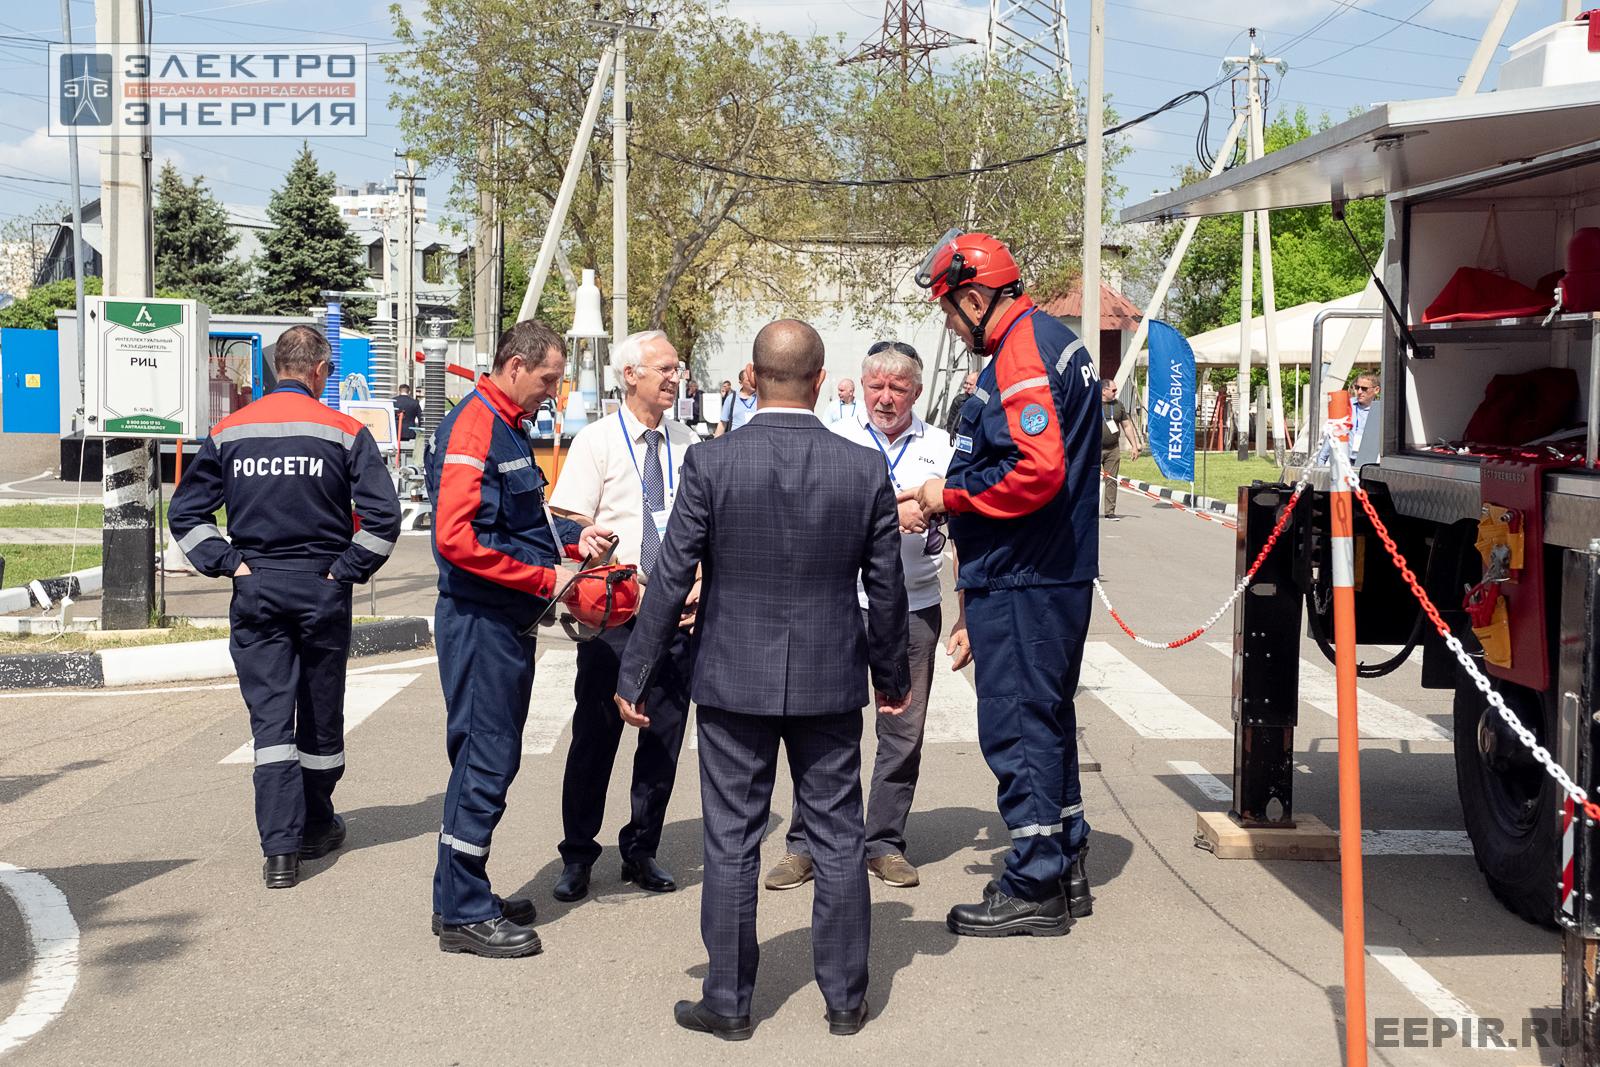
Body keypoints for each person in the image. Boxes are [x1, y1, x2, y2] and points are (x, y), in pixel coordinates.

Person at [614, 319, 910, 1040]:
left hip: (730, 678)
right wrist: (892, 678)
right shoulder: (863, 468)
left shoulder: (713, 464)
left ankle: (729, 1000)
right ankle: (845, 1000)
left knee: (732, 838)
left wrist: (637, 670)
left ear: (751, 377)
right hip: (829, 677)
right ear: (818, 380)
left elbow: (672, 574)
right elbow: (888, 587)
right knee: (839, 837)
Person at [902, 231, 1099, 937]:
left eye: (951, 311)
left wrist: (944, 496)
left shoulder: (1020, 351)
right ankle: (1066, 855)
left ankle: (1036, 881)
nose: (951, 326)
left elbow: (1036, 471)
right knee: (1046, 718)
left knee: (1017, 724)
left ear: (978, 296)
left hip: (1023, 576)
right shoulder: (1055, 340)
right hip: (1050, 571)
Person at [169, 325, 401, 890]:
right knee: (321, 712)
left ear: (276, 368)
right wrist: (345, 570)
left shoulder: (228, 432)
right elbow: (385, 519)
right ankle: (318, 825)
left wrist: (228, 563)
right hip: (321, 588)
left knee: (271, 722)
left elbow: (185, 514)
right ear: (320, 370)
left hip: (258, 589)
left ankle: (280, 852)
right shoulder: (344, 432)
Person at [426, 320, 615, 959]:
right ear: (514, 366)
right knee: (487, 760)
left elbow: (521, 519)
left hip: (502, 621)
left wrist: (570, 543)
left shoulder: (503, 421)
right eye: (548, 380)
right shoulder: (477, 425)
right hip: (481, 622)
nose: (553, 394)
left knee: (486, 758)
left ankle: (461, 891)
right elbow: (456, 540)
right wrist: (547, 578)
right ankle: (463, 913)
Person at [765, 340, 954, 894]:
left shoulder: (941, 448)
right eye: (877, 386)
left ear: (917, 392)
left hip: (915, 607)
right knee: (821, 726)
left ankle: (884, 843)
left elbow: (966, 534)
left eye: (899, 388)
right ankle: (805, 844)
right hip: (839, 606)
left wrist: (964, 614)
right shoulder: (834, 439)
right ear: (860, 386)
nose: (886, 398)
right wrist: (895, 511)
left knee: (903, 732)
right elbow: (807, 519)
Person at [548, 330, 699, 902]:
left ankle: (642, 849)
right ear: (629, 374)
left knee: (662, 737)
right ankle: (578, 854)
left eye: (677, 368)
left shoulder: (690, 442)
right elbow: (564, 523)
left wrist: (702, 578)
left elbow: (710, 525)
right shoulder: (597, 441)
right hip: (616, 614)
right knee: (596, 736)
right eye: (664, 367)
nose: (674, 377)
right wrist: (586, 542)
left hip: (679, 612)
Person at [1099, 378, 1141, 521]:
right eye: (1113, 390)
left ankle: (1109, 511)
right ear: (1104, 391)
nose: (1116, 392)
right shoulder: (1090, 404)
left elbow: (1127, 426)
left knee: (1111, 480)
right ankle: (1087, 510)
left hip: (1113, 449)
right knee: (1089, 481)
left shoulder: (1118, 405)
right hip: (1093, 449)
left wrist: (1134, 446)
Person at [715, 365, 758, 436]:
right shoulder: (731, 399)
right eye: (748, 380)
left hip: (756, 442)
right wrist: (715, 444)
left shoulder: (762, 398)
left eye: (754, 379)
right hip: (736, 443)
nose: (753, 382)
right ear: (741, 383)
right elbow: (722, 424)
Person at [943, 370, 978, 438]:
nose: (967, 387)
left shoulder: (983, 402)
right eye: (966, 383)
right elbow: (950, 425)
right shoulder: (958, 400)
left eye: (971, 384)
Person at [1351, 371, 1379, 452]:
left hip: (1368, 458)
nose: (1359, 392)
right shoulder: (1346, 405)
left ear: (1376, 390)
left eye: (1364, 389)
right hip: (1345, 458)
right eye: (1357, 387)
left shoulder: (1381, 412)